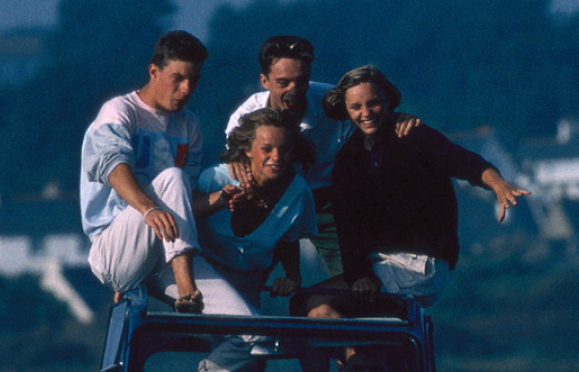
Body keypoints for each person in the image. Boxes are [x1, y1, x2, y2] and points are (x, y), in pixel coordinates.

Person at [301, 64, 528, 314]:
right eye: (356, 107)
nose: (366, 113)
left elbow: (463, 161)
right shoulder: (348, 158)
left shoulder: (414, 137)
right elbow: (347, 225)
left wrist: (497, 183)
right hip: (380, 263)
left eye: (373, 103)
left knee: (316, 305)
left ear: (388, 101)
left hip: (421, 266)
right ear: (346, 110)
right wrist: (358, 276)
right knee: (310, 307)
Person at [223, 34, 417, 278]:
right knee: (248, 275)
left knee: (353, 276)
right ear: (265, 80)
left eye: (301, 81)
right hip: (274, 204)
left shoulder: (331, 102)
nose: (293, 91)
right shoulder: (244, 120)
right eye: (283, 83)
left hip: (327, 202)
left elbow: (370, 113)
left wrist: (396, 119)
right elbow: (235, 164)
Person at [81, 30, 228, 313]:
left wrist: (222, 199)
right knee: (174, 176)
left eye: (193, 81)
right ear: (153, 71)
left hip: (165, 250)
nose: (187, 89)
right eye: (178, 78)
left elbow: (183, 205)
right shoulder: (119, 111)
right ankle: (185, 286)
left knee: (251, 332)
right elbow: (113, 166)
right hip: (114, 248)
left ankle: (211, 353)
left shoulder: (190, 125)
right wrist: (149, 209)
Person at [194, 107, 316, 305]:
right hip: (203, 280)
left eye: (284, 149)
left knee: (253, 335)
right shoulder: (215, 179)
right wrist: (221, 200)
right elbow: (186, 217)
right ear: (248, 150)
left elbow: (289, 240)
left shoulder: (298, 192)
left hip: (251, 287)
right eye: (266, 149)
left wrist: (291, 277)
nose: (276, 157)